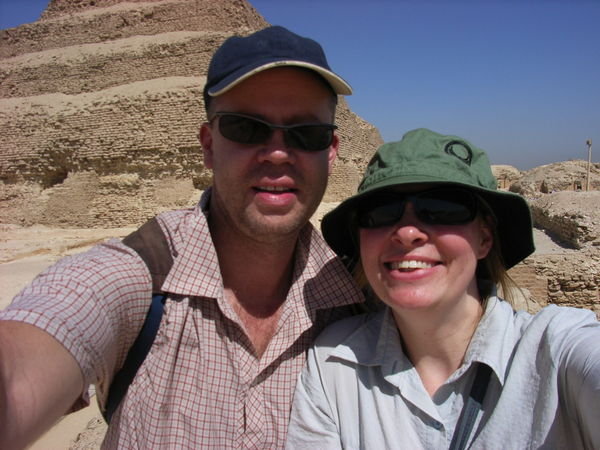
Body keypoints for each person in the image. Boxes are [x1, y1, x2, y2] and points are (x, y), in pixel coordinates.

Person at [0, 26, 365, 449]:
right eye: (246, 128)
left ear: (332, 150)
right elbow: (34, 349)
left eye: (307, 134)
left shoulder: (361, 304)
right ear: (209, 145)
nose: (278, 152)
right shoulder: (134, 279)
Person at [286, 128, 600, 449]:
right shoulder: (332, 365)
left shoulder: (558, 351)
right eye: (380, 210)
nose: (408, 232)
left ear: (485, 239)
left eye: (443, 208)